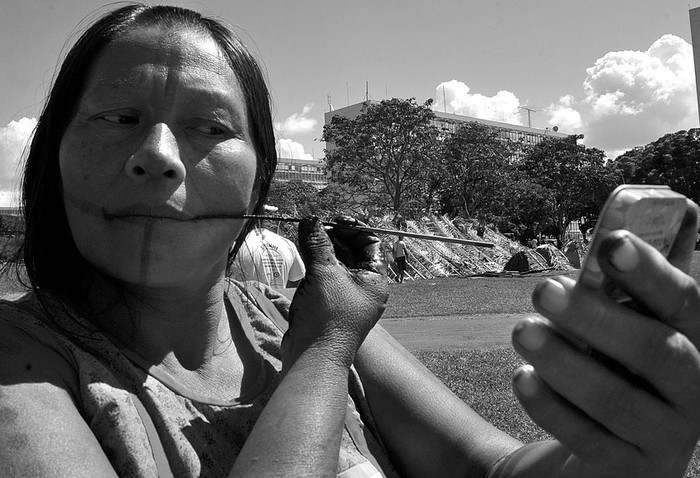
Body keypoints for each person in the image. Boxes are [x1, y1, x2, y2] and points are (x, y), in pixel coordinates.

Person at [1, 4, 699, 478]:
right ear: (53, 154)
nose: (158, 156)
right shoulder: (21, 361)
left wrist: (611, 460)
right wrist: (326, 353)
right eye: (118, 116)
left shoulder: (295, 310)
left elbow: (488, 467)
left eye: (211, 127)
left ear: (259, 177)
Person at [229, 223, 306, 291]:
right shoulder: (287, 244)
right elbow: (297, 282)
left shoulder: (234, 245)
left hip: (247, 305)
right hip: (278, 305)